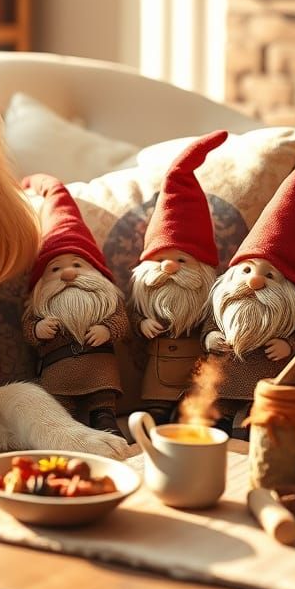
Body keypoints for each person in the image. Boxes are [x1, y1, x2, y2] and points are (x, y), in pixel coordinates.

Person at [195, 152, 295, 437]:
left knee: (259, 421)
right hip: (227, 379)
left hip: (270, 379)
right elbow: (209, 326)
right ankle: (220, 428)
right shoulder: (225, 305)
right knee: (216, 414)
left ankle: (248, 435)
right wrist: (210, 338)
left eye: (269, 275)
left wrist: (288, 345)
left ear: (287, 285)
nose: (255, 280)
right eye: (246, 271)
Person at [129, 131, 227, 423]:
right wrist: (142, 322)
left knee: (195, 418)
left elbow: (214, 321)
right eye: (160, 259)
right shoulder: (142, 301)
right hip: (156, 379)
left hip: (196, 376)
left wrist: (211, 336)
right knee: (154, 416)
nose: (169, 267)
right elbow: (130, 317)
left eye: (181, 260)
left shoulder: (207, 299)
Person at [22, 175, 127, 437]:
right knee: (56, 410)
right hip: (58, 375)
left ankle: (105, 421)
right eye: (55, 269)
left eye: (78, 265)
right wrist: (37, 330)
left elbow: (120, 321)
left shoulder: (107, 302)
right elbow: (28, 329)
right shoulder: (41, 306)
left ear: (96, 272)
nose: (68, 274)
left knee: (102, 402)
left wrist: (107, 329)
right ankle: (65, 432)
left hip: (100, 372)